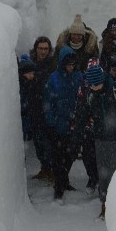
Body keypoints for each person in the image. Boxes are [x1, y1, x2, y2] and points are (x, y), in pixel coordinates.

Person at [84, 61, 116, 220]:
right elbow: (84, 113)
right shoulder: (91, 94)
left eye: (96, 84)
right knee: (103, 174)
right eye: (91, 85)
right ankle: (105, 205)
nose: (94, 88)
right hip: (100, 140)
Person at [44, 46, 85, 202]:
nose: (71, 67)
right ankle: (59, 188)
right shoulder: (54, 79)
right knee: (59, 158)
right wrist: (52, 122)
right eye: (68, 64)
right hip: (59, 125)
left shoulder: (78, 77)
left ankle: (63, 182)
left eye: (73, 64)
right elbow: (47, 101)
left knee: (70, 156)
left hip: (73, 125)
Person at [28, 36, 55, 180]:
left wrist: (35, 76)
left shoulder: (51, 64)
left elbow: (48, 79)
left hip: (48, 107)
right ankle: (44, 167)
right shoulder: (31, 63)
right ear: (36, 49)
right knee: (38, 141)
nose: (43, 52)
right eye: (40, 48)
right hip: (34, 107)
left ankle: (50, 168)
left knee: (48, 141)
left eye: (45, 49)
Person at [18, 55, 37, 141]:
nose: (31, 75)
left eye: (32, 73)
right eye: (29, 73)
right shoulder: (21, 86)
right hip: (24, 121)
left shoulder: (33, 84)